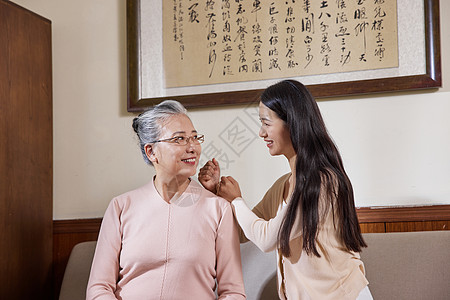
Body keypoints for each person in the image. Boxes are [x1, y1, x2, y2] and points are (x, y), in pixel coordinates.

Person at [199, 80, 372, 300]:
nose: (261, 133)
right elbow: (244, 233)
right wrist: (217, 193)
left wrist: (236, 201)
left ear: (293, 123)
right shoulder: (284, 185)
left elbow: (268, 239)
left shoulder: (322, 181)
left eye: (266, 123)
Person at [87, 100, 246, 300]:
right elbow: (99, 288)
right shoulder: (121, 207)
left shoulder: (218, 209)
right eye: (179, 139)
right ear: (151, 151)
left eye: (195, 138)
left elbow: (233, 293)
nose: (192, 148)